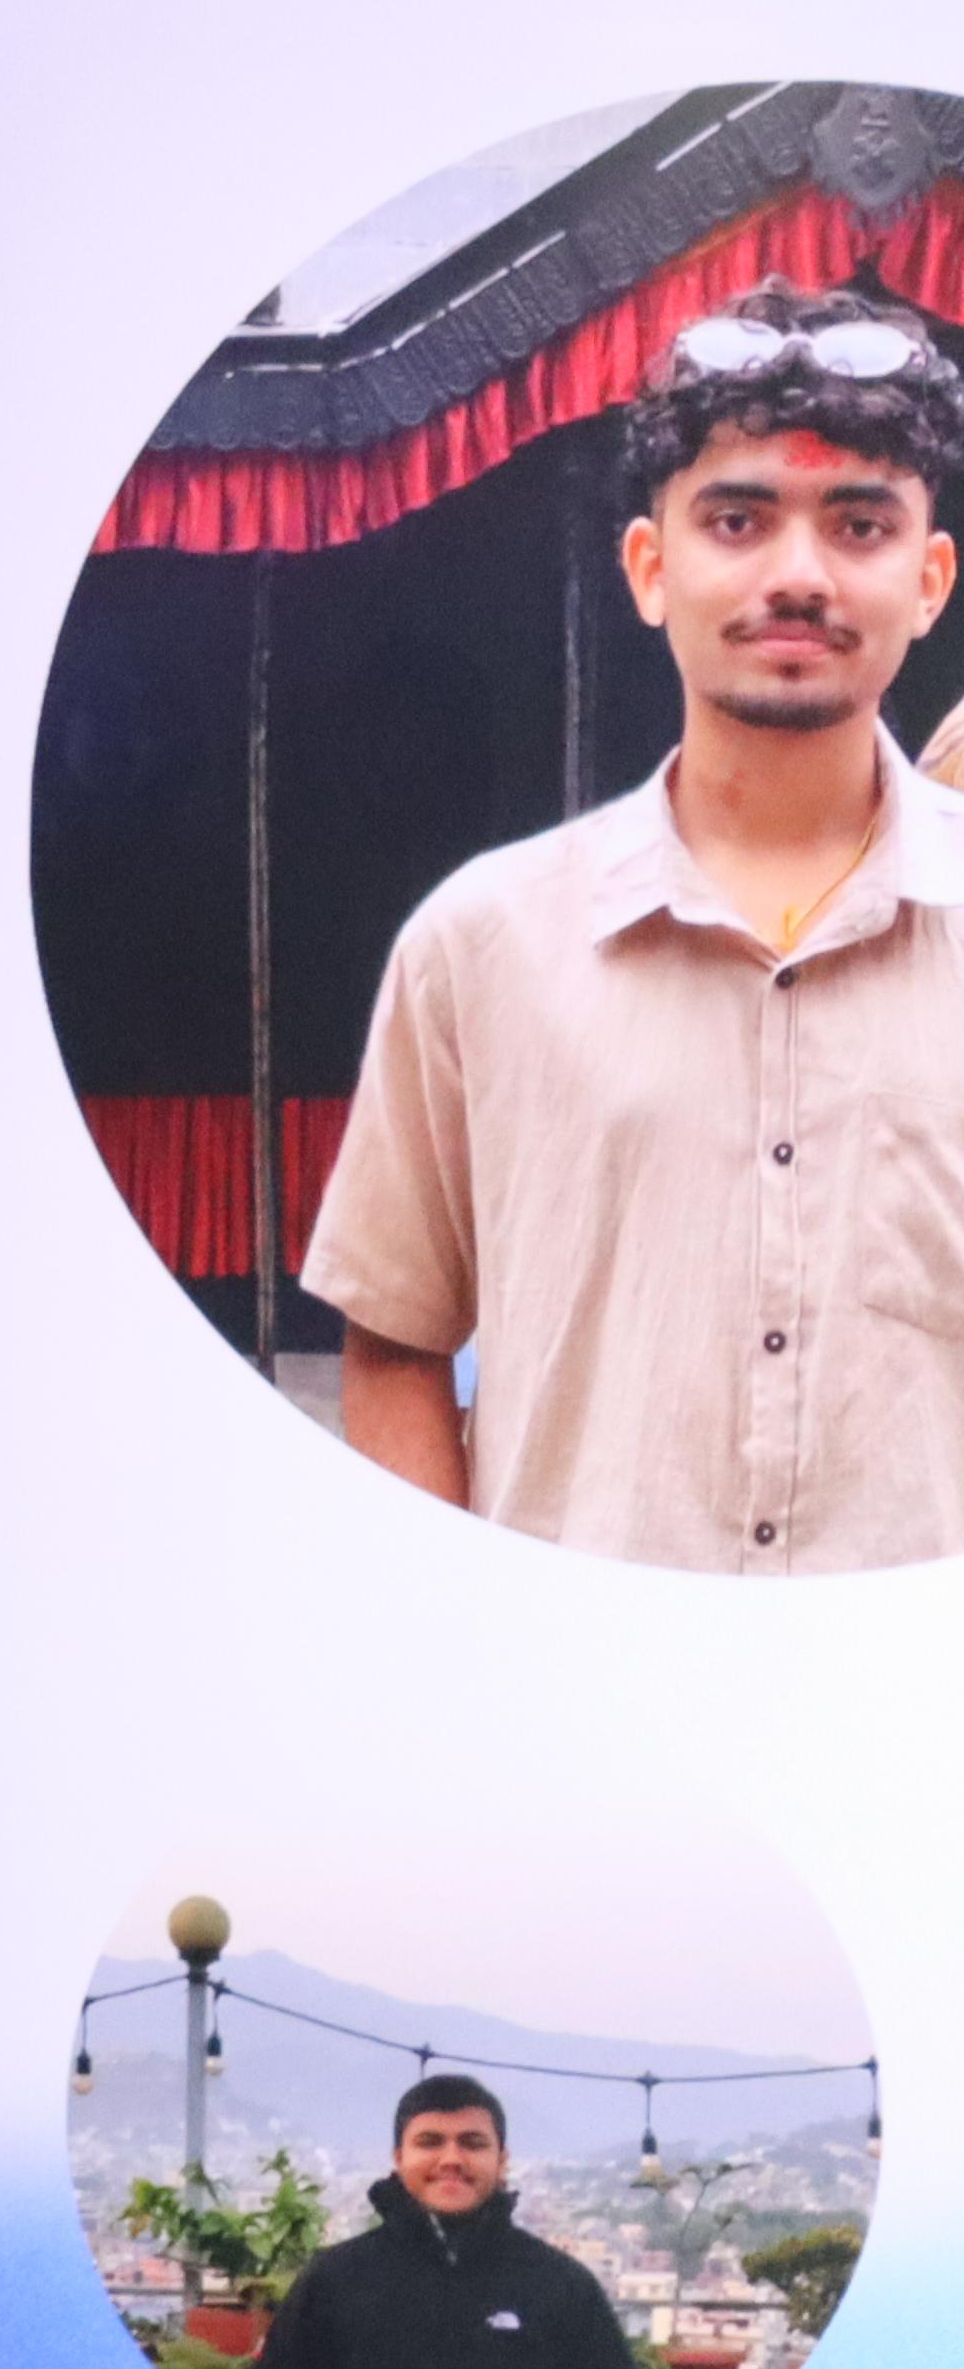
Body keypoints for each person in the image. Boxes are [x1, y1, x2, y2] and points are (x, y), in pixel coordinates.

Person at [303, 283, 964, 1573]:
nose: (799, 575)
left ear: (930, 580)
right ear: (651, 569)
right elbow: (395, 1342)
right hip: (581, 1692)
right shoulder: (481, 946)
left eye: (860, 524)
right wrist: (471, 1633)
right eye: (738, 519)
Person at [239, 2076, 658, 2369]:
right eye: (430, 2142)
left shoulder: (560, 2286)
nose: (452, 2159)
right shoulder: (338, 2279)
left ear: (502, 2160)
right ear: (398, 2157)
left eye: (473, 2143)